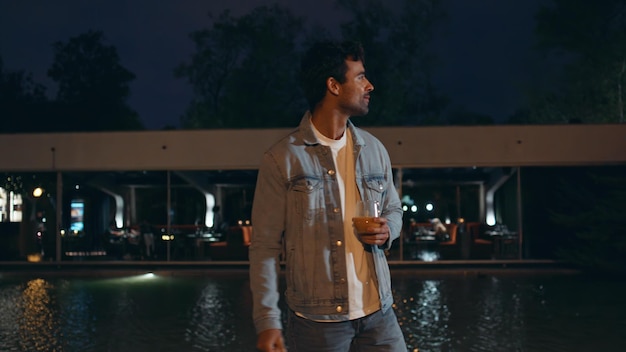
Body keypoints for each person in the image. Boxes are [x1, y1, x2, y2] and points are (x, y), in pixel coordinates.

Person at [249, 41, 406, 352]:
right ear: (333, 85)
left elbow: (394, 209)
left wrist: (389, 228)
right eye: (360, 77)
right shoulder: (282, 159)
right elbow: (264, 247)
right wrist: (267, 321)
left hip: (379, 316)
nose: (370, 85)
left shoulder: (374, 149)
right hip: (316, 324)